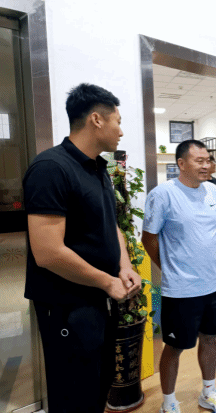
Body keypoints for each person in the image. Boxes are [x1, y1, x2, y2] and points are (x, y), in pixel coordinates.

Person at [23, 83, 141, 413]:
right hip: (67, 304)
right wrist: (107, 281)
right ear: (96, 119)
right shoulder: (51, 168)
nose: (121, 131)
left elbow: (111, 225)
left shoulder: (98, 168)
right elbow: (48, 252)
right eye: (118, 121)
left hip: (99, 298)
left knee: (97, 386)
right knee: (73, 395)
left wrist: (124, 266)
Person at [142, 140, 216, 413]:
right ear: (181, 164)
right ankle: (169, 403)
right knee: (174, 347)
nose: (206, 165)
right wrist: (170, 267)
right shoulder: (163, 195)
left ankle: (209, 392)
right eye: (199, 161)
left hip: (213, 284)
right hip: (180, 289)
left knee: (210, 338)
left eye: (208, 160)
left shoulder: (214, 192)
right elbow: (148, 238)